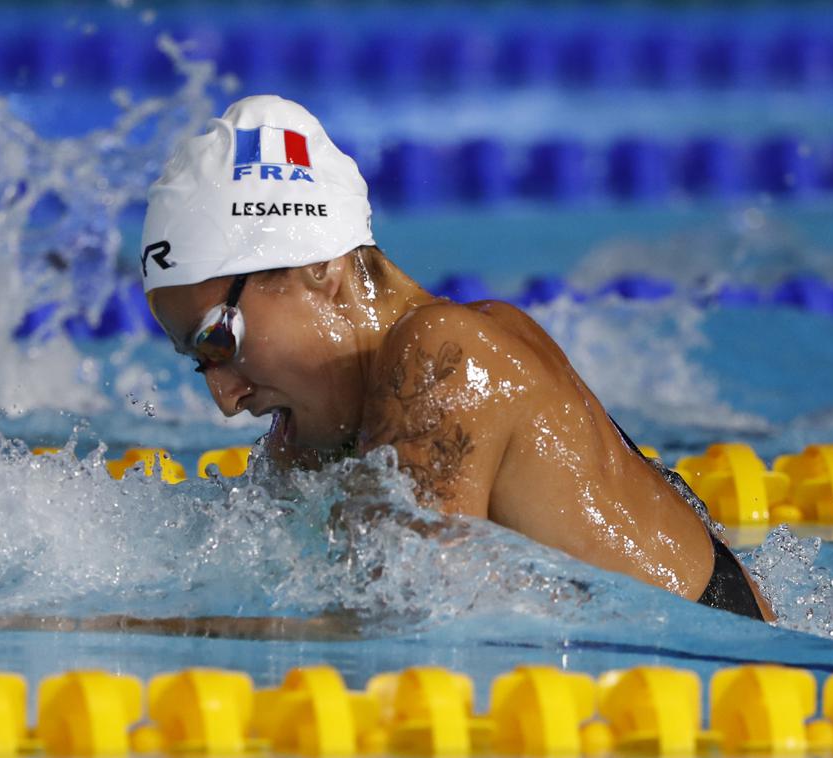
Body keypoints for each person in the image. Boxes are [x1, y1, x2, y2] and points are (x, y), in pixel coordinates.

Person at [141, 95, 773, 621]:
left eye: (218, 341)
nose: (223, 398)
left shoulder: (445, 352)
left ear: (317, 268)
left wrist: (127, 630)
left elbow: (401, 625)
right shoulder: (321, 426)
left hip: (724, 691)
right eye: (199, 363)